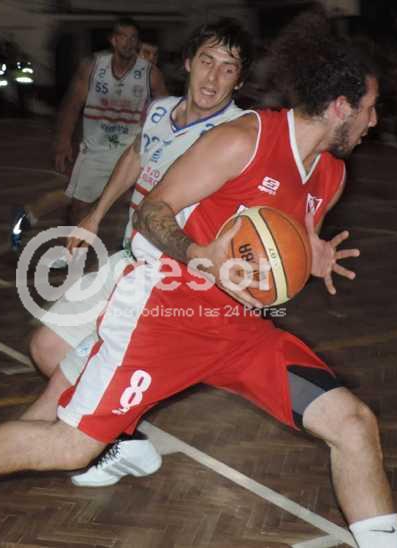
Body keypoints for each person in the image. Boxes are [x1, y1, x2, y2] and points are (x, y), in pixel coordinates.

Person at [0, 13, 397, 548]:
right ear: (340, 107)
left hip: (242, 333)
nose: (373, 122)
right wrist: (199, 253)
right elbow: (153, 211)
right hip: (164, 314)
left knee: (354, 423)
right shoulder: (245, 139)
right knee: (72, 445)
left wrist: (312, 258)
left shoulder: (330, 175)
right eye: (369, 109)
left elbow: (281, 251)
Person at [26, 19, 251, 488]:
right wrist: (94, 215)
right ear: (187, 63)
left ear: (239, 80)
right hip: (129, 257)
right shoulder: (160, 110)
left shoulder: (239, 134)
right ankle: (123, 440)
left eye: (228, 68)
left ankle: (103, 439)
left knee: (67, 374)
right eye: (206, 61)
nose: (213, 77)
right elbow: (134, 156)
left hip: (167, 277)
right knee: (46, 347)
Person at [10, 17, 168, 252]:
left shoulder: (150, 74)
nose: (129, 43)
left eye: (133, 38)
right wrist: (63, 141)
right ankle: (34, 219)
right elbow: (72, 104)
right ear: (113, 40)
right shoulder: (94, 67)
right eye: (123, 37)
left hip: (131, 150)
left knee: (138, 198)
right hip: (97, 150)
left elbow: (166, 110)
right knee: (77, 200)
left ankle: (132, 247)